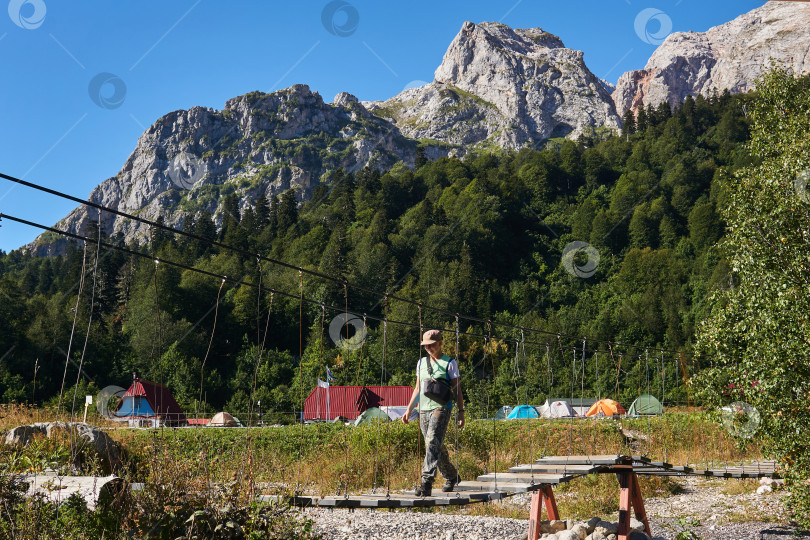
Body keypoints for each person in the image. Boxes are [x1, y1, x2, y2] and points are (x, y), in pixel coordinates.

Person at [403, 329, 464, 496]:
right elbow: (417, 388)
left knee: (431, 442)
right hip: (423, 408)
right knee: (435, 444)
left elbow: (457, 389)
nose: (429, 348)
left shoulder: (449, 363)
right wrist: (409, 409)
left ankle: (426, 483)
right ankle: (452, 476)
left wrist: (461, 411)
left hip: (442, 407)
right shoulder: (421, 363)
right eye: (426, 346)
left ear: (440, 343)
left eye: (432, 345)